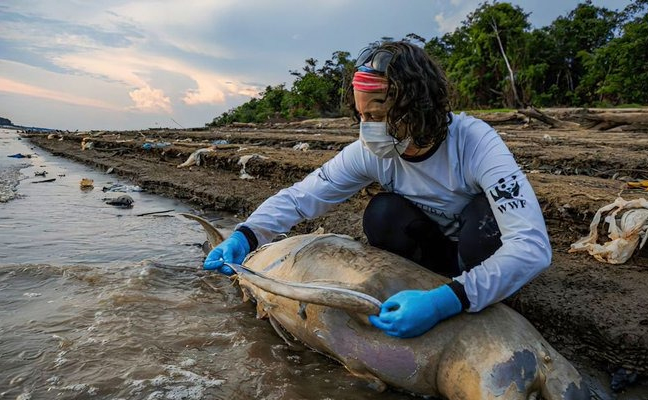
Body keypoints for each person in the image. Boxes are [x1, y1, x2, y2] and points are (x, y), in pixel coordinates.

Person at [203, 41, 551, 339]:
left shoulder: (475, 143)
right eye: (362, 117)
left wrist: (446, 301)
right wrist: (246, 236)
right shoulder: (372, 152)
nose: (370, 129)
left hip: (475, 251)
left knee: (485, 219)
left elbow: (531, 247)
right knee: (382, 213)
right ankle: (423, 288)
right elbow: (303, 197)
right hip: (432, 251)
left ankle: (468, 292)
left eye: (380, 115)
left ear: (419, 106)